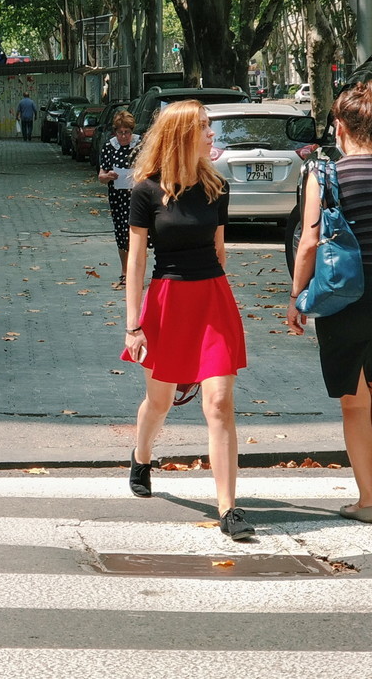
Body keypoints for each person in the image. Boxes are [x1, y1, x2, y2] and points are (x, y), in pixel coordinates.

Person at [286, 81, 372, 524]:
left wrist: (296, 298)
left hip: (342, 292)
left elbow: (308, 242)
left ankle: (366, 501)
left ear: (339, 126)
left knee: (353, 400)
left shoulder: (325, 175)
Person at [120, 99, 253, 541]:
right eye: (205, 128)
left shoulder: (218, 186)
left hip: (211, 300)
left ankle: (229, 509)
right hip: (167, 302)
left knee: (218, 403)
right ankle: (142, 456)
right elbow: (136, 263)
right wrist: (133, 325)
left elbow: (219, 252)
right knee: (158, 403)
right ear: (181, 135)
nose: (212, 135)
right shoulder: (145, 191)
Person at [97, 110, 141, 291]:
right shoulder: (109, 147)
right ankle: (125, 272)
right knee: (122, 234)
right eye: (120, 132)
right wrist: (108, 175)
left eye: (127, 132)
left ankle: (136, 273)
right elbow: (101, 176)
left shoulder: (140, 146)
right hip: (118, 198)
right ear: (115, 132)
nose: (124, 136)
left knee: (139, 234)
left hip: (138, 196)